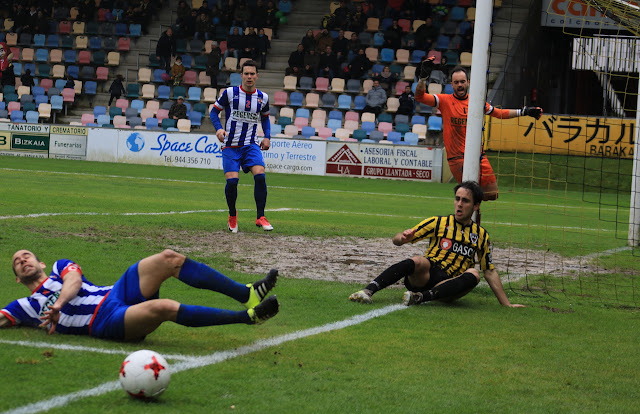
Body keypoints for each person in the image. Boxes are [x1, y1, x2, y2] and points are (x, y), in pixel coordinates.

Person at [1, 249, 280, 341]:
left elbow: (73, 281)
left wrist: (59, 304)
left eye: (27, 256)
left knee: (169, 258)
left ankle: (247, 294)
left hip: (115, 292)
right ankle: (247, 317)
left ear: (40, 263)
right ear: (17, 277)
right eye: (17, 261)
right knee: (162, 307)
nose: (23, 260)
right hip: (105, 321)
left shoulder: (59, 268)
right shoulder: (23, 306)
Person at [349, 181, 525, 308]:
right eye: (457, 199)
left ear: (476, 206)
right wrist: (402, 238)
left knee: (474, 273)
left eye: (465, 201)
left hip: (450, 286)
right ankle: (368, 291)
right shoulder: (439, 223)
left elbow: (490, 270)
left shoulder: (481, 235)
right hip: (426, 275)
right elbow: (397, 241)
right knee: (419, 260)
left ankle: (420, 298)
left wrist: (506, 304)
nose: (459, 204)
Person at [415, 61, 543, 201]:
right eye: (456, 82)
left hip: (479, 156)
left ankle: (469, 207)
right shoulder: (444, 100)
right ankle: (468, 214)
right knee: (469, 196)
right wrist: (422, 79)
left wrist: (524, 111)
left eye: (462, 81)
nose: (460, 85)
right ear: (451, 85)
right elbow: (420, 97)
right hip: (457, 159)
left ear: (468, 82)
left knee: (492, 194)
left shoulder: (476, 102)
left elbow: (499, 113)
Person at [209, 60, 274, 233]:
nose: (249, 77)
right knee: (232, 182)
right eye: (246, 73)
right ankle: (232, 215)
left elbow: (266, 118)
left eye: (252, 74)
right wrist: (219, 129)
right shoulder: (230, 93)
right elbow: (214, 112)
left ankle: (260, 216)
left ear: (257, 76)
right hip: (230, 145)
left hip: (250, 144)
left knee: (260, 176)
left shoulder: (263, 97)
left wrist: (267, 137)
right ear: (241, 75)